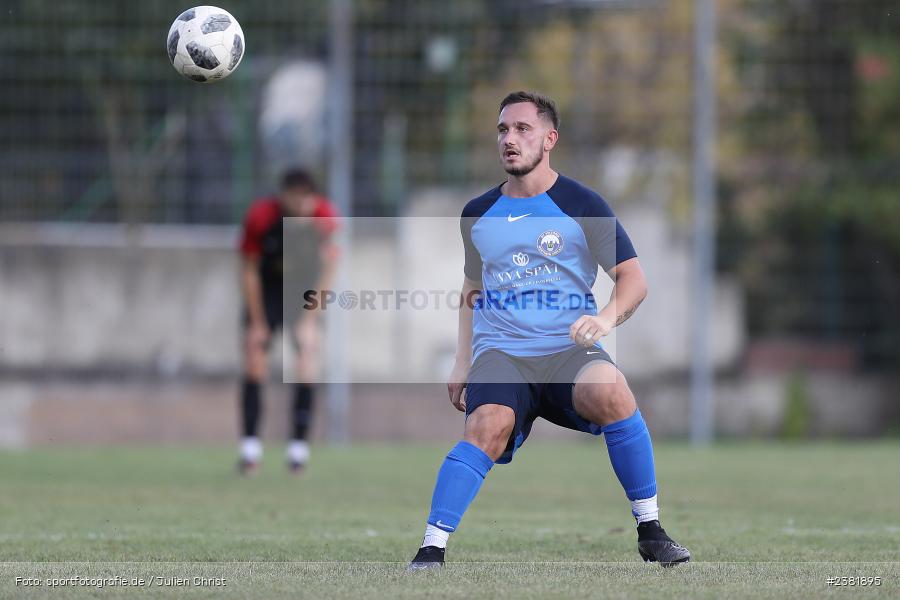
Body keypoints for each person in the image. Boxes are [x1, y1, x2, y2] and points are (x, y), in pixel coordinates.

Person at [408, 91, 690, 568]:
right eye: (503, 130)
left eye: (522, 129)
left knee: (613, 393)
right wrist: (462, 360)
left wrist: (602, 319)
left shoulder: (583, 203)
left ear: (549, 139)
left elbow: (634, 280)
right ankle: (430, 548)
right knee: (487, 425)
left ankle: (651, 530)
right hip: (503, 354)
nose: (510, 139)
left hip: (567, 352)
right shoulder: (477, 213)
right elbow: (471, 289)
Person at [237, 168, 338, 475]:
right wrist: (257, 321)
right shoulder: (261, 217)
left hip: (302, 292)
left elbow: (328, 271)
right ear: (282, 196)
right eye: (293, 197)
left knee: (306, 360)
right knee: (255, 359)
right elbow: (249, 270)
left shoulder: (324, 218)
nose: (299, 203)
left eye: (305, 197)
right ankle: (250, 449)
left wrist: (310, 318)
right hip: (268, 291)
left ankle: (298, 451)